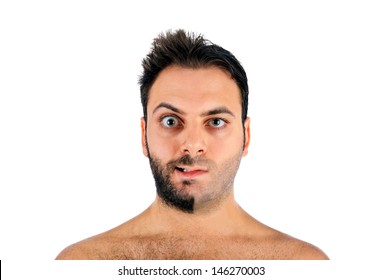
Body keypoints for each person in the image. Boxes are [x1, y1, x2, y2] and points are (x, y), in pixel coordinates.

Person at [56, 29, 329, 260]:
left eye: (216, 122)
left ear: (246, 136)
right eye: (171, 121)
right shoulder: (83, 263)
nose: (192, 145)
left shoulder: (302, 265)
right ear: (144, 135)